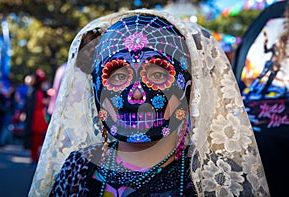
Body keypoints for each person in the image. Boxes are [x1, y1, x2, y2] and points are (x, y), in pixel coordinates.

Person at [29, 9, 270, 196]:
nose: (136, 95)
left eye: (157, 75)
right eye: (119, 76)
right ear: (97, 93)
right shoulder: (78, 170)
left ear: (187, 89)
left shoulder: (217, 178)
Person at [23, 69, 49, 163]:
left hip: (37, 117)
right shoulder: (36, 92)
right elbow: (39, 103)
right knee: (36, 139)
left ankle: (35, 156)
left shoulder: (34, 91)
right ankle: (35, 157)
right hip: (37, 118)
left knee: (37, 139)